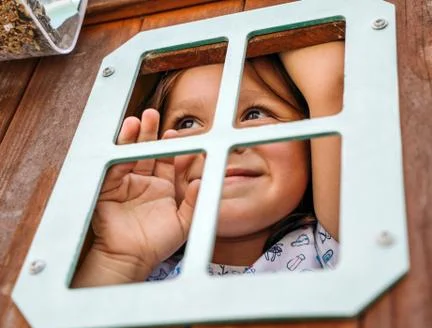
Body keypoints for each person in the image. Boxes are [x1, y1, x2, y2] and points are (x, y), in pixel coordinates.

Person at [72, 41, 344, 287]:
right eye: (187, 123)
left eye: (253, 114)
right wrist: (122, 258)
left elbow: (330, 79)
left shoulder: (333, 243)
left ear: (311, 143)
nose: (222, 142)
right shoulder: (140, 271)